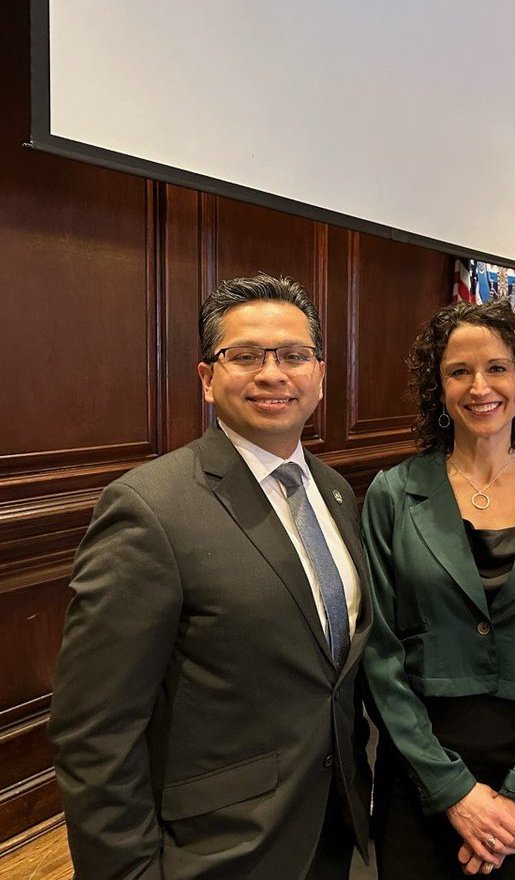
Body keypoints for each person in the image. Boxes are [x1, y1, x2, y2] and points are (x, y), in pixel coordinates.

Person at [49, 274, 370, 879]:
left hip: (329, 826)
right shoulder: (150, 509)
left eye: (294, 356)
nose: (272, 373)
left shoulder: (334, 491)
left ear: (320, 376)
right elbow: (95, 731)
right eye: (245, 355)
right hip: (217, 849)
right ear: (206, 378)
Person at [361, 300, 515, 878]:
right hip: (421, 765)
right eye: (458, 371)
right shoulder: (392, 495)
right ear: (437, 388)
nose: (479, 387)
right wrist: (452, 792)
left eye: (497, 368)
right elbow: (378, 653)